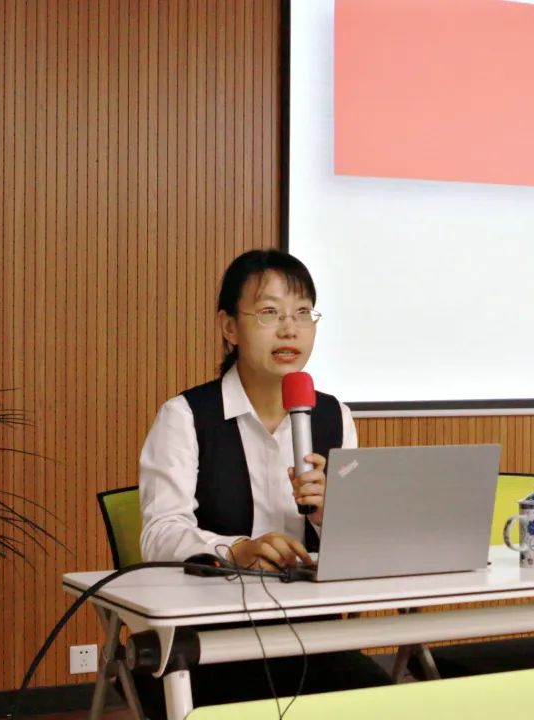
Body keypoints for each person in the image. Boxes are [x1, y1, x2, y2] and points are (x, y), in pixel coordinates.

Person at [136, 249, 391, 718]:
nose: (289, 329)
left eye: (302, 313)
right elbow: (159, 534)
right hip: (209, 640)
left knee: (391, 703)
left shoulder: (333, 415)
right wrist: (236, 550)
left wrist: (329, 514)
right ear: (230, 327)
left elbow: (357, 547)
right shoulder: (186, 416)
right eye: (269, 312)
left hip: (310, 637)